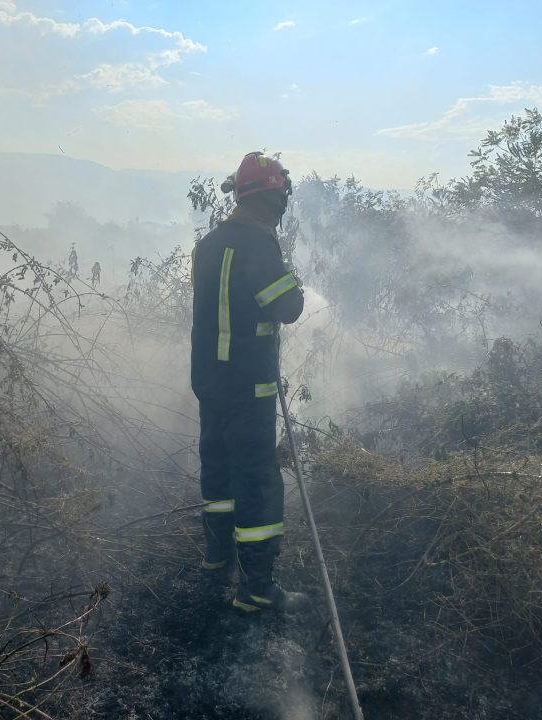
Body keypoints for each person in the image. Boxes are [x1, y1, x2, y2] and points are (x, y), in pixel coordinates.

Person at [190, 151, 307, 613]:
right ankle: (257, 590)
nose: (283, 207)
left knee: (217, 467)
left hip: (210, 381)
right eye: (282, 196)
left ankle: (217, 558)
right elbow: (289, 307)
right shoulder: (258, 245)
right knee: (257, 479)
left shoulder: (210, 244)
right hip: (248, 385)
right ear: (271, 198)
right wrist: (290, 277)